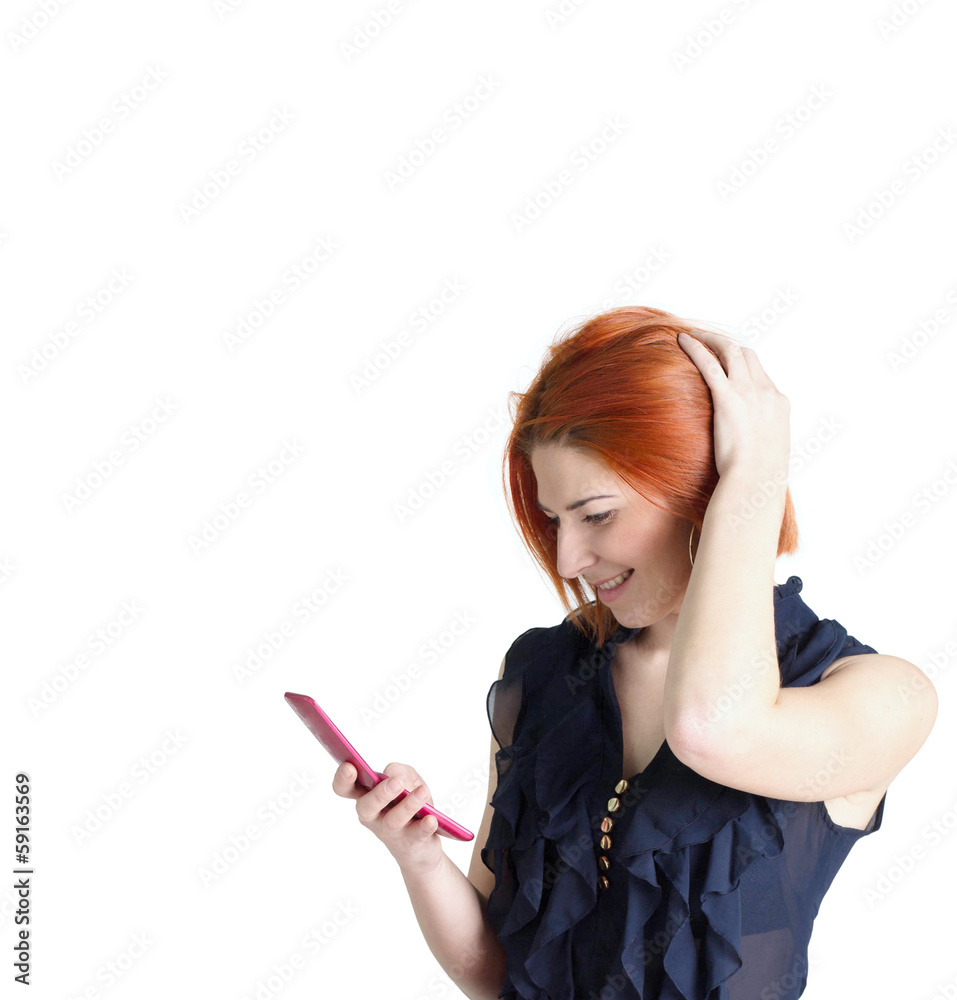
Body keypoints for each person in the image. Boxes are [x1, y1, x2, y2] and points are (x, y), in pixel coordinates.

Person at [331, 306, 938, 999]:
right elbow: (498, 977)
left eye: (596, 514)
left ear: (701, 485)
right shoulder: (544, 673)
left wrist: (755, 480)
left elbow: (713, 728)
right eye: (555, 520)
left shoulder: (880, 695)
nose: (567, 558)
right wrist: (416, 856)